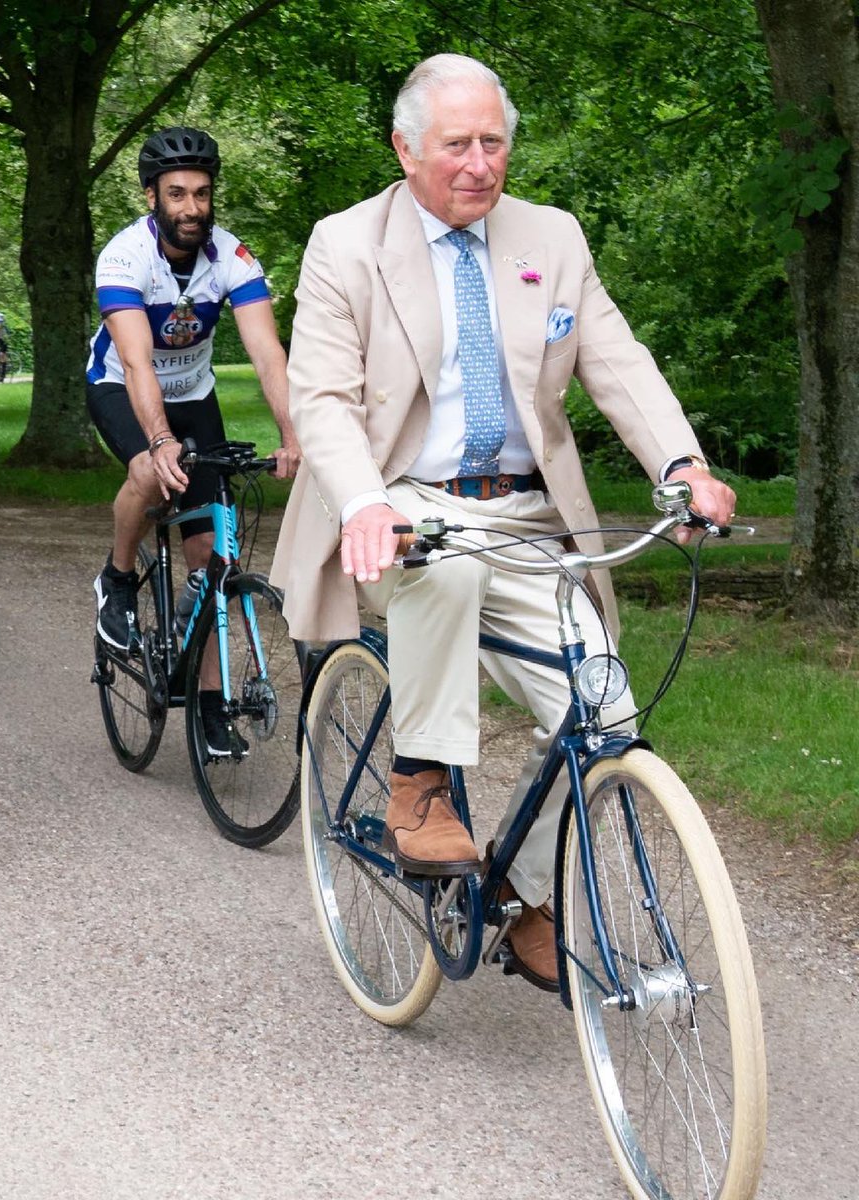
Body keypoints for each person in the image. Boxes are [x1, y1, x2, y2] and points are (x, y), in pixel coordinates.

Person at [270, 55, 735, 989]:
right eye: (457, 145)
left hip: (526, 518)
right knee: (441, 567)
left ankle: (525, 891)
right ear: (405, 149)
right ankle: (420, 780)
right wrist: (362, 502)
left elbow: (616, 361)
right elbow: (321, 396)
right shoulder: (346, 244)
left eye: (495, 142)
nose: (480, 163)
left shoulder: (551, 238)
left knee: (604, 719)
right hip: (401, 497)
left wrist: (681, 463)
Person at [86, 126, 301, 753]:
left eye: (202, 194)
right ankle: (118, 579)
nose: (191, 208)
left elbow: (266, 353)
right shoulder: (125, 257)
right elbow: (135, 362)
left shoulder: (233, 258)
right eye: (176, 194)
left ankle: (209, 705)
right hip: (121, 387)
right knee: (152, 477)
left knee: (211, 557)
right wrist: (157, 439)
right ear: (152, 195)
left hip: (195, 395)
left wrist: (293, 434)